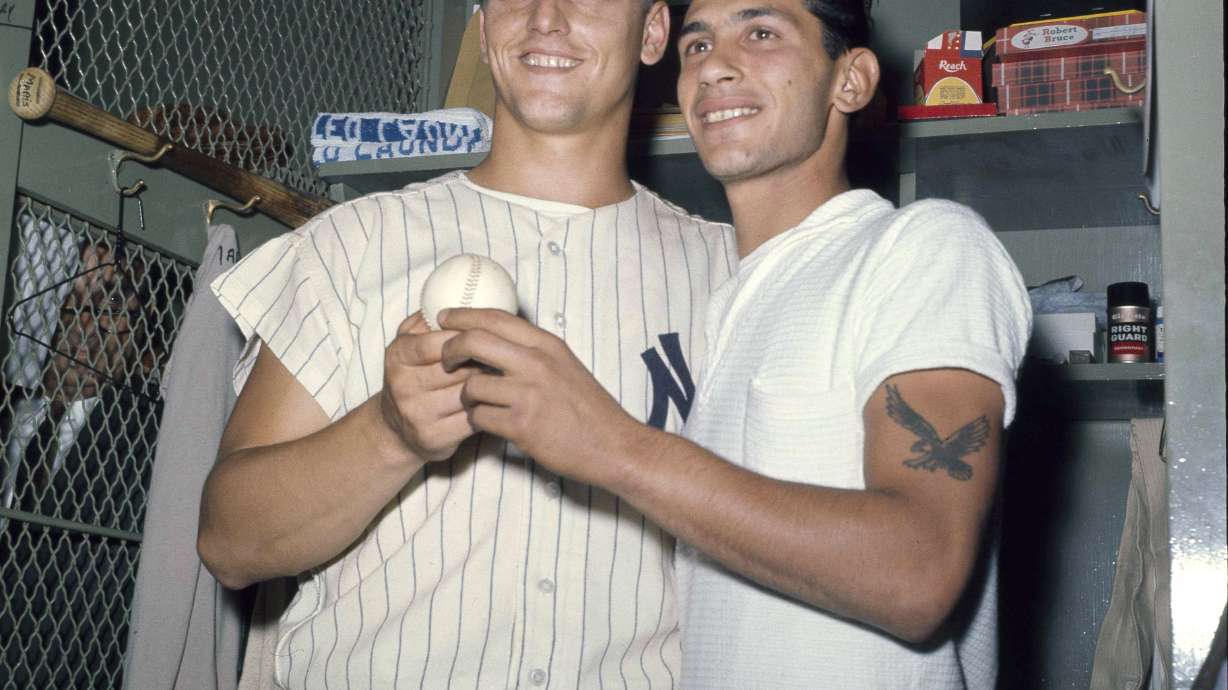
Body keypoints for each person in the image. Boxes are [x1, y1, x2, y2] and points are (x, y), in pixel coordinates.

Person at [437, 0, 1032, 686]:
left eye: (761, 34)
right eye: (695, 46)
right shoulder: (724, 305)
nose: (715, 66)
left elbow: (920, 573)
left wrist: (614, 446)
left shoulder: (923, 247)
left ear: (851, 80)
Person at [198, 1, 735, 687]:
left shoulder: (730, 275)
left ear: (654, 31)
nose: (547, 17)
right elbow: (228, 542)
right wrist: (390, 433)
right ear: (482, 30)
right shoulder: (353, 243)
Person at [0, 241, 166, 688]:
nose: (88, 318)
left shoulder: (145, 443)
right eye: (73, 297)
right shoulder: (12, 416)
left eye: (113, 300)